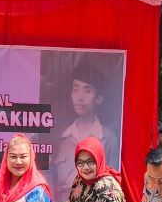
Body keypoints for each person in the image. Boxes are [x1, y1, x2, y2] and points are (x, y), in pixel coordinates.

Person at [51, 62, 119, 194]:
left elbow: (112, 181)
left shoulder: (109, 139)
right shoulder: (61, 137)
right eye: (75, 89)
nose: (80, 97)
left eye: (87, 91)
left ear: (98, 98)